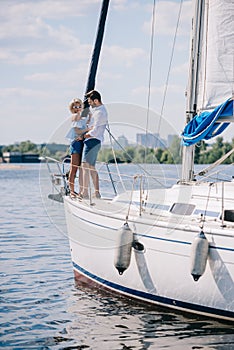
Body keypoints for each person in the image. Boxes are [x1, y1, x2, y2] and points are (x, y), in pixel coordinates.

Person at [81, 90, 108, 199]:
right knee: (91, 167)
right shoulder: (98, 111)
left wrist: (85, 135)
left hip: (92, 140)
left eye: (90, 102)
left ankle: (85, 192)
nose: (90, 104)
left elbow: (96, 130)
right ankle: (96, 192)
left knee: (85, 166)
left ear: (96, 100)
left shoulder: (100, 112)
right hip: (94, 140)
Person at [65, 98, 90, 198]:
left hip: (82, 143)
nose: (78, 108)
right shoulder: (75, 117)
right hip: (76, 144)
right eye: (75, 106)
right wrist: (88, 129)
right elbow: (78, 131)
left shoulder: (82, 117)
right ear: (72, 108)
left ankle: (80, 191)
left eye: (79, 106)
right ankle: (71, 190)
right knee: (74, 168)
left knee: (81, 168)